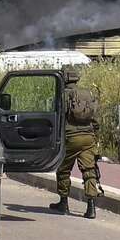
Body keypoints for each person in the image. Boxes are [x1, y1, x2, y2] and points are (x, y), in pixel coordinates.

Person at [50, 64, 101, 218]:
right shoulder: (88, 93)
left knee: (63, 170)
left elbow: (57, 118)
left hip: (70, 137)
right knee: (89, 170)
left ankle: (63, 203)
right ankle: (91, 207)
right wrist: (95, 136)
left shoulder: (62, 95)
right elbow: (96, 119)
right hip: (88, 137)